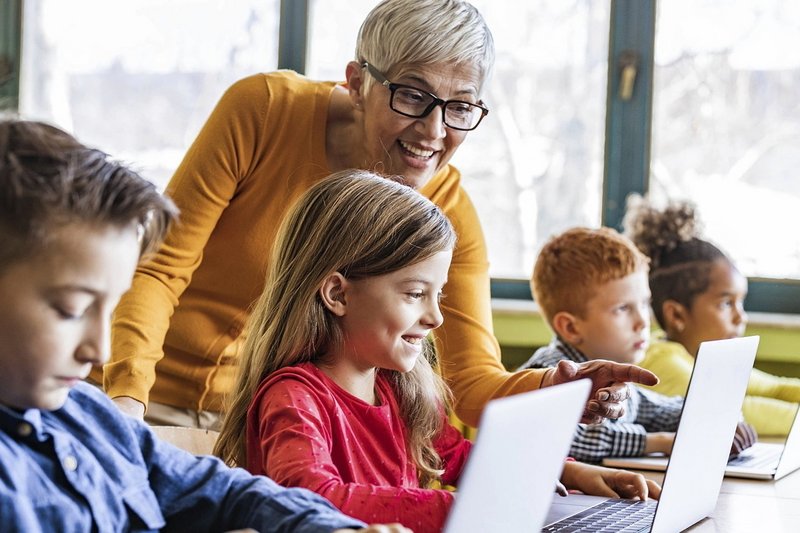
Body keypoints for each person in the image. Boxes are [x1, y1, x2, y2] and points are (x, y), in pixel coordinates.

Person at [98, 0, 657, 431]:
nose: (434, 133)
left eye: (460, 106)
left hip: (274, 427)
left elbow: (471, 382)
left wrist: (555, 390)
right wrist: (125, 401)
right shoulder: (264, 111)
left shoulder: (449, 213)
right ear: (358, 82)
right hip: (149, 401)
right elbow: (157, 268)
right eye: (412, 96)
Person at [0, 119, 408, 533]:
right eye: (71, 309)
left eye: (111, 308)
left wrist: (336, 529)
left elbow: (222, 489)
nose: (99, 351)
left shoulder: (90, 417)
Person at [214, 171, 661, 533]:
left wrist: (568, 472)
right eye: (414, 293)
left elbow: (462, 457)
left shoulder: (396, 389)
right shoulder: (294, 397)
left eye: (438, 296)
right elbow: (310, 498)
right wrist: (459, 511)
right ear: (337, 293)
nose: (435, 318)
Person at [517, 227, 756, 462]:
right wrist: (661, 442)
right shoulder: (545, 374)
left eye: (644, 304)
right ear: (571, 328)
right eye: (623, 308)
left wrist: (720, 418)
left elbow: (660, 411)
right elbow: (570, 437)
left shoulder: (617, 379)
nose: (643, 321)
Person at [624, 194, 800, 437]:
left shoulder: (706, 357)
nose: (741, 318)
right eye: (726, 304)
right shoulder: (661, 366)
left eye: (741, 302)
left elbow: (777, 388)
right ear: (676, 315)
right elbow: (735, 413)